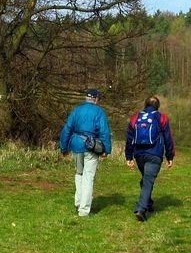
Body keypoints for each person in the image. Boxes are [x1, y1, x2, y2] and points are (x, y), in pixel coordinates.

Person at [58, 88, 112, 217]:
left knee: (79, 173)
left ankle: (78, 201)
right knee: (88, 177)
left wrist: (64, 147)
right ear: (96, 98)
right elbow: (104, 132)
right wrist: (106, 149)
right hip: (91, 147)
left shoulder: (76, 110)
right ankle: (84, 210)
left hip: (76, 145)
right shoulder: (99, 112)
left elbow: (67, 129)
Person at [124, 94, 175, 222]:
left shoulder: (135, 118)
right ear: (157, 107)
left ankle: (149, 203)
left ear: (145, 105)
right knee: (147, 181)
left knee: (146, 180)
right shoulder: (162, 118)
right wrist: (170, 156)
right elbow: (168, 138)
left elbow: (129, 138)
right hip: (155, 154)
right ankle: (141, 209)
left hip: (139, 155)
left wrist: (128, 156)